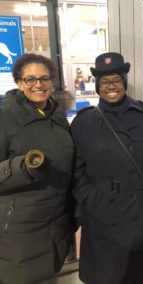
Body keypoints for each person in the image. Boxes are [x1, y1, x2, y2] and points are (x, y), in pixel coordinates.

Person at [70, 52, 143, 284]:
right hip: (102, 212)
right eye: (105, 82)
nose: (111, 86)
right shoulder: (83, 122)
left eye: (116, 80)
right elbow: (76, 170)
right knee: (109, 275)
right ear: (97, 86)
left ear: (125, 83)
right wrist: (89, 198)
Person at [0, 53, 75, 284]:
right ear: (19, 83)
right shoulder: (5, 118)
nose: (38, 85)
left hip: (55, 222)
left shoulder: (57, 115)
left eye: (44, 79)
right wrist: (25, 167)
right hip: (20, 228)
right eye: (30, 79)